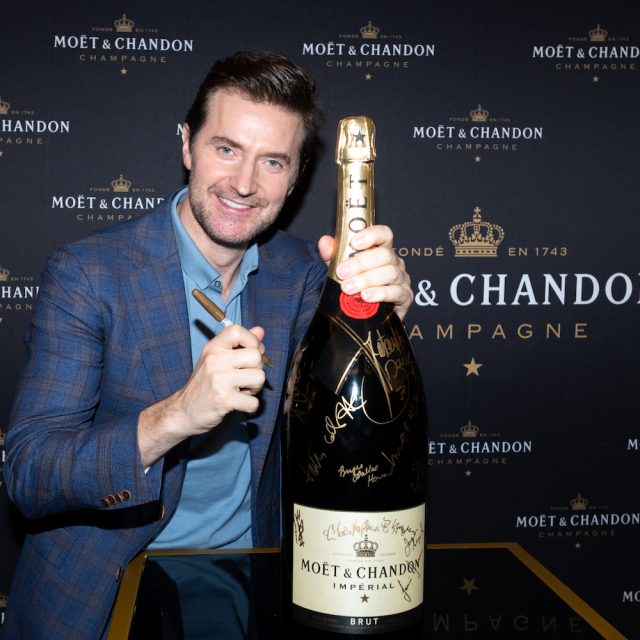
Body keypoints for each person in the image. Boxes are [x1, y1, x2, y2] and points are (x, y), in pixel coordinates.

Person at [3, 50, 413, 639]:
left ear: (297, 176)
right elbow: (30, 473)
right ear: (187, 145)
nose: (244, 184)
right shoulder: (89, 273)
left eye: (273, 161)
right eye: (226, 149)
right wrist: (177, 415)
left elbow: (339, 413)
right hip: (110, 588)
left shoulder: (303, 274)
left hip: (252, 584)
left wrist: (385, 320)